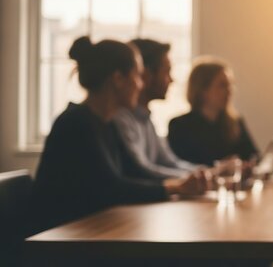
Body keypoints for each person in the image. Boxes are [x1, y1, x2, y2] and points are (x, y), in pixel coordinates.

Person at [31, 37, 207, 234]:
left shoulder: (106, 123)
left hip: (87, 230)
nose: (141, 85)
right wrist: (174, 188)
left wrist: (180, 185)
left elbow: (134, 172)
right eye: (138, 76)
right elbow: (112, 188)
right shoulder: (76, 123)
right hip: (60, 240)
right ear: (118, 79)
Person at [113, 39, 202, 180]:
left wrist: (208, 173)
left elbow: (169, 162)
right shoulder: (121, 118)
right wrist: (192, 179)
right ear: (146, 75)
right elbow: (142, 171)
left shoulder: (145, 118)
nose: (171, 80)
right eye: (166, 72)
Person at [168, 57, 259, 167]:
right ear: (203, 91)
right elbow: (180, 166)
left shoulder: (236, 123)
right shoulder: (180, 126)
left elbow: (255, 158)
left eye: (230, 84)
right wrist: (222, 167)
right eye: (222, 85)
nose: (230, 90)